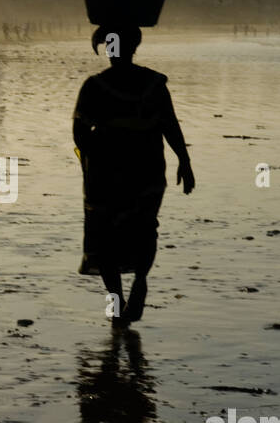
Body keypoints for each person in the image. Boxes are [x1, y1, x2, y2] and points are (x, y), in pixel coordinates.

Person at [72, 23, 195, 327]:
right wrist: (184, 160)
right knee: (144, 229)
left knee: (105, 239)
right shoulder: (153, 84)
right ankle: (139, 284)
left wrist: (92, 155)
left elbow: (79, 133)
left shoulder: (95, 86)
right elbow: (170, 125)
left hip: (106, 172)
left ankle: (118, 303)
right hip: (147, 167)